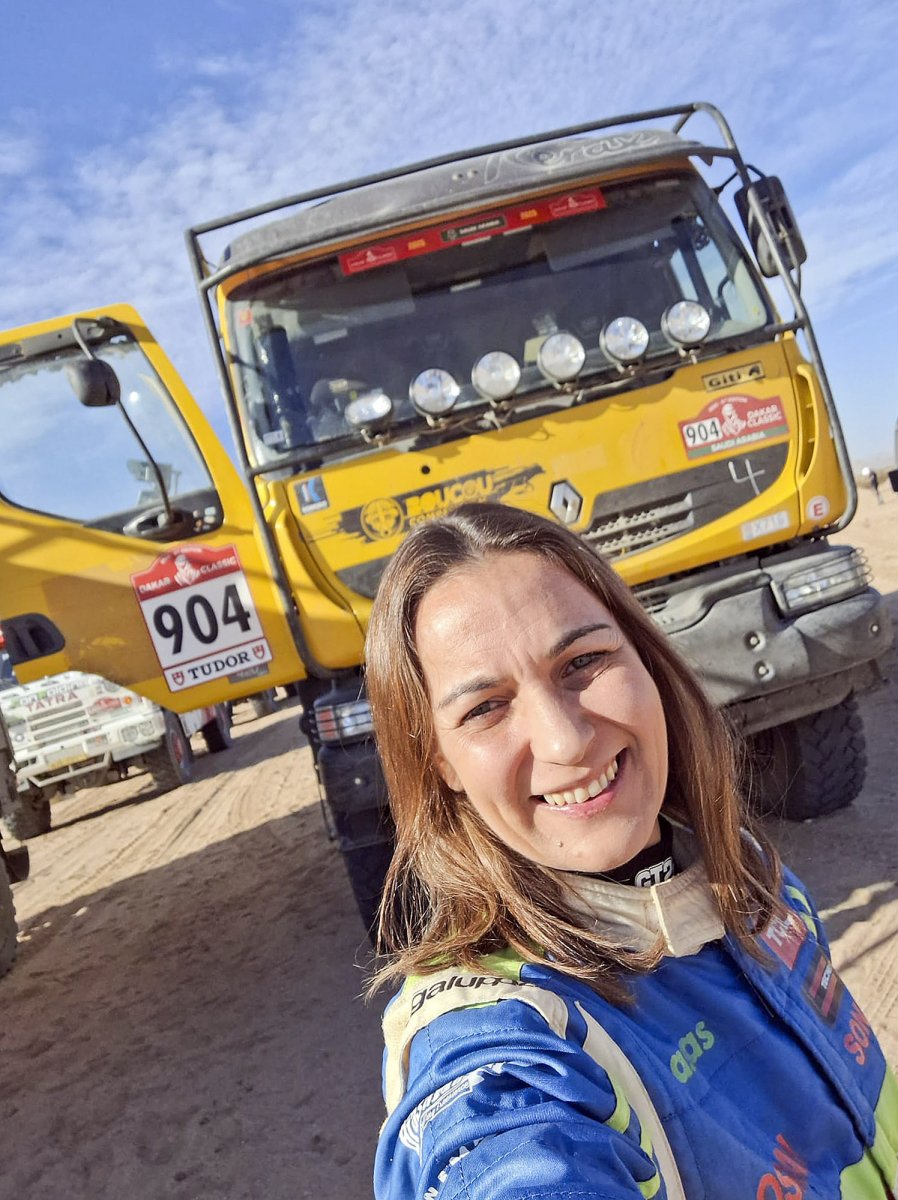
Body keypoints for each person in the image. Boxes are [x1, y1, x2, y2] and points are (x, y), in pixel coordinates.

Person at [365, 502, 898, 1200]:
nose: (564, 740)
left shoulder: (741, 869)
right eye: (486, 708)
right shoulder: (506, 1048)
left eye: (583, 661)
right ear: (441, 765)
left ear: (647, 659)